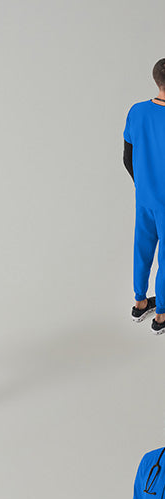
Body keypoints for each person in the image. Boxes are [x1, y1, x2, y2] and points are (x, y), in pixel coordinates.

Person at [124, 58, 165, 332]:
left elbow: (127, 157)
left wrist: (143, 185)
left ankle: (140, 302)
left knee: (142, 248)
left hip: (145, 197)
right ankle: (161, 316)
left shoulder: (137, 111)